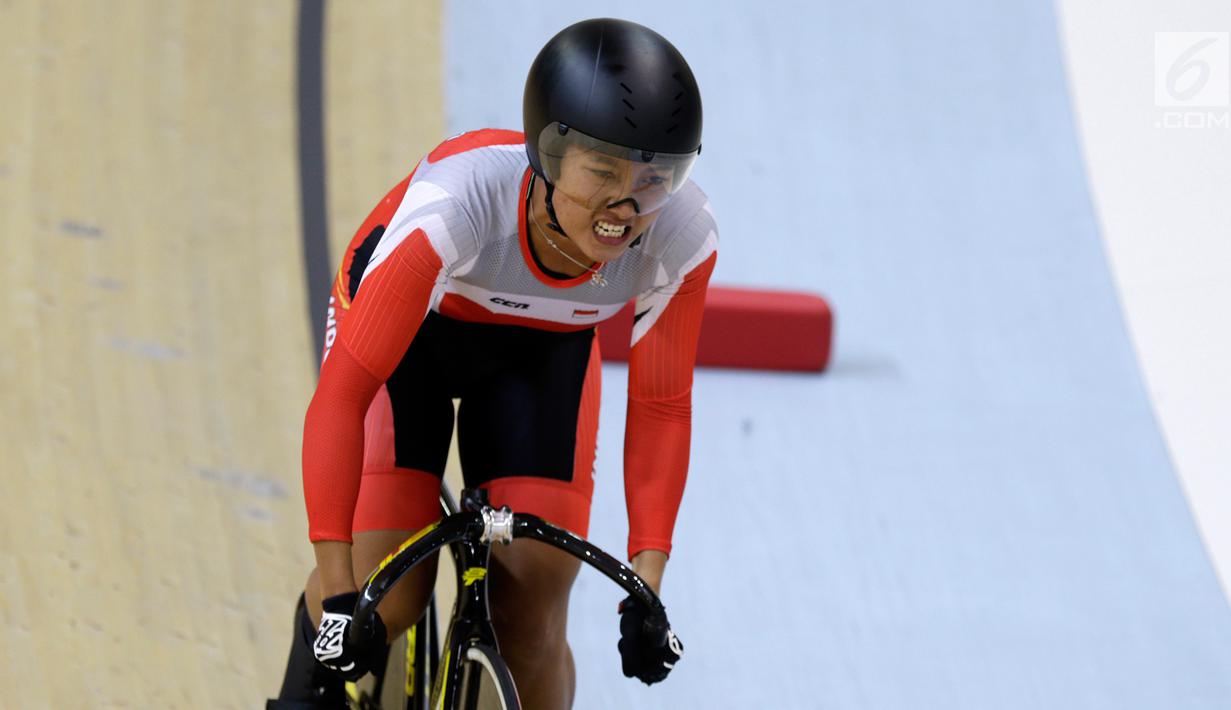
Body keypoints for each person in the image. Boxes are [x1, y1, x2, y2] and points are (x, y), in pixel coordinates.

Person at [269, 17, 716, 710]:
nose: (625, 208)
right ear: (546, 153)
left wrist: (645, 588)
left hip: (540, 359)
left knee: (532, 616)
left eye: (655, 179)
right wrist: (337, 595)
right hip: (411, 342)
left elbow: (660, 406)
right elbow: (342, 399)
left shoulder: (681, 235)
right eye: (603, 172)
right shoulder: (457, 206)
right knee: (386, 593)